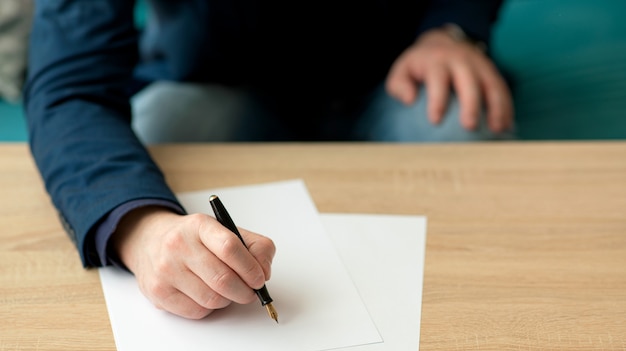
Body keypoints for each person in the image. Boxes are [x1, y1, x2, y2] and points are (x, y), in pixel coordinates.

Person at [24, 0, 513, 319]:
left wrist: (451, 30)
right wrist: (140, 228)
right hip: (215, 82)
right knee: (157, 133)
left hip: (393, 72)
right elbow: (71, 86)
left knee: (461, 123)